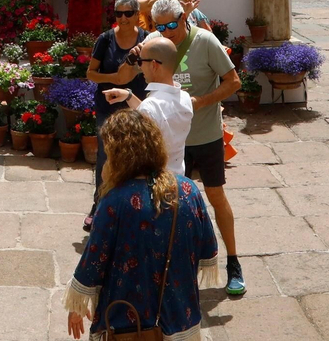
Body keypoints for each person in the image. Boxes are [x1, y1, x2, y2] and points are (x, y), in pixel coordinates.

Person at [65, 109, 218, 341]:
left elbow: (94, 260)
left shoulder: (115, 201)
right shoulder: (188, 191)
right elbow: (206, 249)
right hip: (180, 318)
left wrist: (77, 306)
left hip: (129, 324)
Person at [151, 0, 247, 298]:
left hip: (204, 135)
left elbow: (233, 81)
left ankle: (233, 262)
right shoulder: (156, 42)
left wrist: (201, 102)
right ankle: (176, 266)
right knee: (171, 202)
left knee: (215, 195)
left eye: (170, 25)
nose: (165, 32)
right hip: (170, 139)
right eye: (158, 26)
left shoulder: (205, 41)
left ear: (183, 17)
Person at [83, 0, 147, 232]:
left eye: (128, 13)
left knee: (136, 156)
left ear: (137, 15)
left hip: (137, 106)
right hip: (108, 107)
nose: (123, 18)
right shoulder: (105, 39)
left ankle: (133, 207)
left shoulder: (147, 39)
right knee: (105, 158)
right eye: (119, 14)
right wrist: (116, 79)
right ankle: (98, 205)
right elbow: (91, 73)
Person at [102, 35, 192, 178]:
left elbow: (150, 114)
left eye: (141, 61)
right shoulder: (184, 97)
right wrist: (129, 96)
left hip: (155, 186)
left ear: (154, 65)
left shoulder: (150, 107)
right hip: (177, 179)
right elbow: (156, 116)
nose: (139, 66)